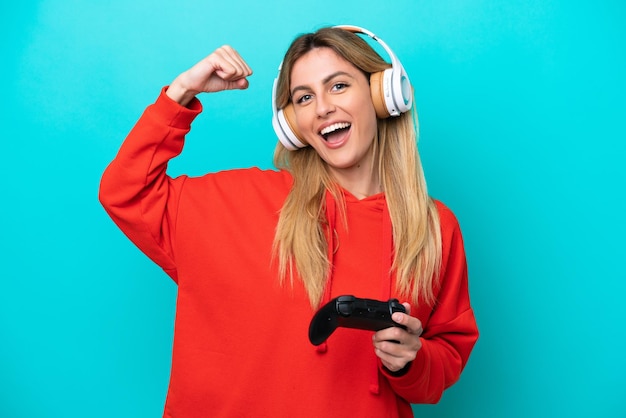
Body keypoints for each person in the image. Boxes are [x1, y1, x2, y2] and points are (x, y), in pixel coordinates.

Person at [99, 25, 478, 418]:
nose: (322, 108)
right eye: (304, 97)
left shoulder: (433, 227)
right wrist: (180, 95)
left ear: (384, 96)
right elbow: (126, 192)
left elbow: (447, 356)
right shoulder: (235, 201)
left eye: (338, 86)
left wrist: (410, 360)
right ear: (293, 123)